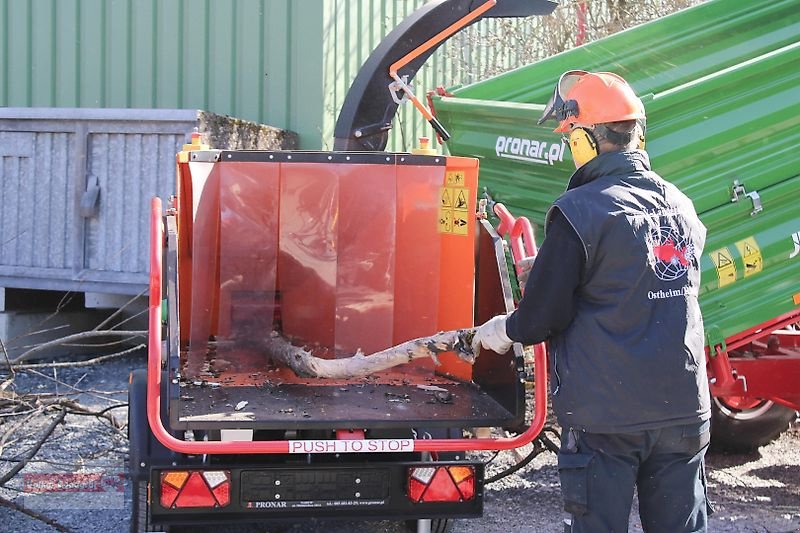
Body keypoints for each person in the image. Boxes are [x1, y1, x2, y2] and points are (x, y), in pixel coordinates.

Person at [472, 71, 712, 532]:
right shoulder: (681, 205)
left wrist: (500, 331)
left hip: (608, 417)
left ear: (585, 138)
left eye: (570, 138)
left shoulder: (580, 210)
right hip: (683, 408)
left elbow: (542, 318)